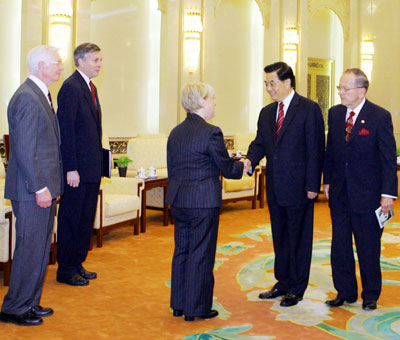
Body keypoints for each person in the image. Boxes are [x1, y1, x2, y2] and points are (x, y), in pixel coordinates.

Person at [244, 62, 325, 307]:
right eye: (266, 83)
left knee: (299, 237)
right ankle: (282, 281)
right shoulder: (267, 113)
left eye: (273, 83)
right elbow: (260, 143)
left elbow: (315, 149)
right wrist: (249, 159)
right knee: (280, 236)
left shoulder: (309, 109)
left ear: (288, 82)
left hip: (301, 187)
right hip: (276, 186)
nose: (269, 88)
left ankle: (297, 287)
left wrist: (313, 184)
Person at [166, 83, 245, 321]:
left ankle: (179, 304)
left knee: (182, 250)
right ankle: (197, 308)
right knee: (202, 253)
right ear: (201, 101)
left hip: (179, 200)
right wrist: (245, 165)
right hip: (203, 202)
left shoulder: (175, 132)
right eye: (212, 98)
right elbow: (228, 170)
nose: (215, 103)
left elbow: (174, 167)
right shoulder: (212, 132)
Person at [323, 68, 397, 310]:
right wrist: (326, 181)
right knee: (340, 245)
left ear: (361, 91)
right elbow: (330, 152)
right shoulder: (334, 114)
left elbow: (387, 159)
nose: (341, 93)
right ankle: (345, 291)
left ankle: (371, 294)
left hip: (369, 196)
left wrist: (388, 193)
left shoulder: (379, 116)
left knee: (368, 246)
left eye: (345, 88)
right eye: (339, 88)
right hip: (340, 194)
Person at [0, 45, 63, 326]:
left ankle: (29, 302)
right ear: (40, 66)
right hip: (31, 189)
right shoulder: (27, 97)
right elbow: (25, 149)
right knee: (29, 248)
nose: (61, 68)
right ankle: (14, 308)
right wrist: (40, 187)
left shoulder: (39, 94)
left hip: (40, 187)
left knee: (39, 248)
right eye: (57, 63)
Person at [56, 43, 103, 286]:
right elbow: (67, 132)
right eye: (95, 60)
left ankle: (78, 262)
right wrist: (70, 168)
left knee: (86, 219)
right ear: (80, 61)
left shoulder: (91, 87)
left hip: (92, 169)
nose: (99, 64)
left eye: (100, 60)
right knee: (72, 219)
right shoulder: (70, 87)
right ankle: (66, 269)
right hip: (77, 171)